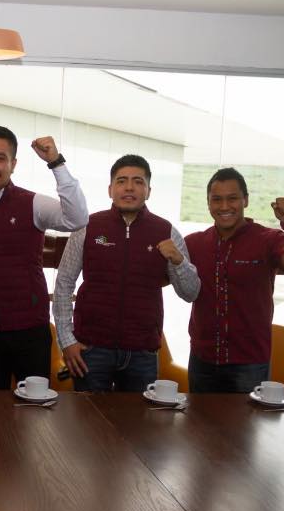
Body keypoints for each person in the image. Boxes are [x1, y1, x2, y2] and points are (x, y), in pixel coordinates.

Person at [0, 125, 88, 390]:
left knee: (34, 408)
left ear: (13, 164)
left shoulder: (32, 203)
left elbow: (77, 218)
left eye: (0, 158)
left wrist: (56, 162)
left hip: (30, 330)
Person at [53, 154, 201, 392]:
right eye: (121, 181)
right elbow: (64, 283)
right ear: (110, 189)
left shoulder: (167, 232)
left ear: (148, 191)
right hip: (91, 349)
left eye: (138, 181)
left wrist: (179, 261)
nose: (129, 187)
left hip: (142, 353)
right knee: (87, 414)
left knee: (139, 417)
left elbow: (190, 293)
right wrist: (67, 340)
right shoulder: (88, 227)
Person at [185, 167, 284, 393]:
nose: (224, 206)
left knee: (248, 418)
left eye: (232, 198)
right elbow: (161, 277)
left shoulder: (268, 239)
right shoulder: (193, 243)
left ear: (245, 200)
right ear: (208, 203)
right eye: (217, 199)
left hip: (250, 364)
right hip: (202, 360)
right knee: (198, 418)